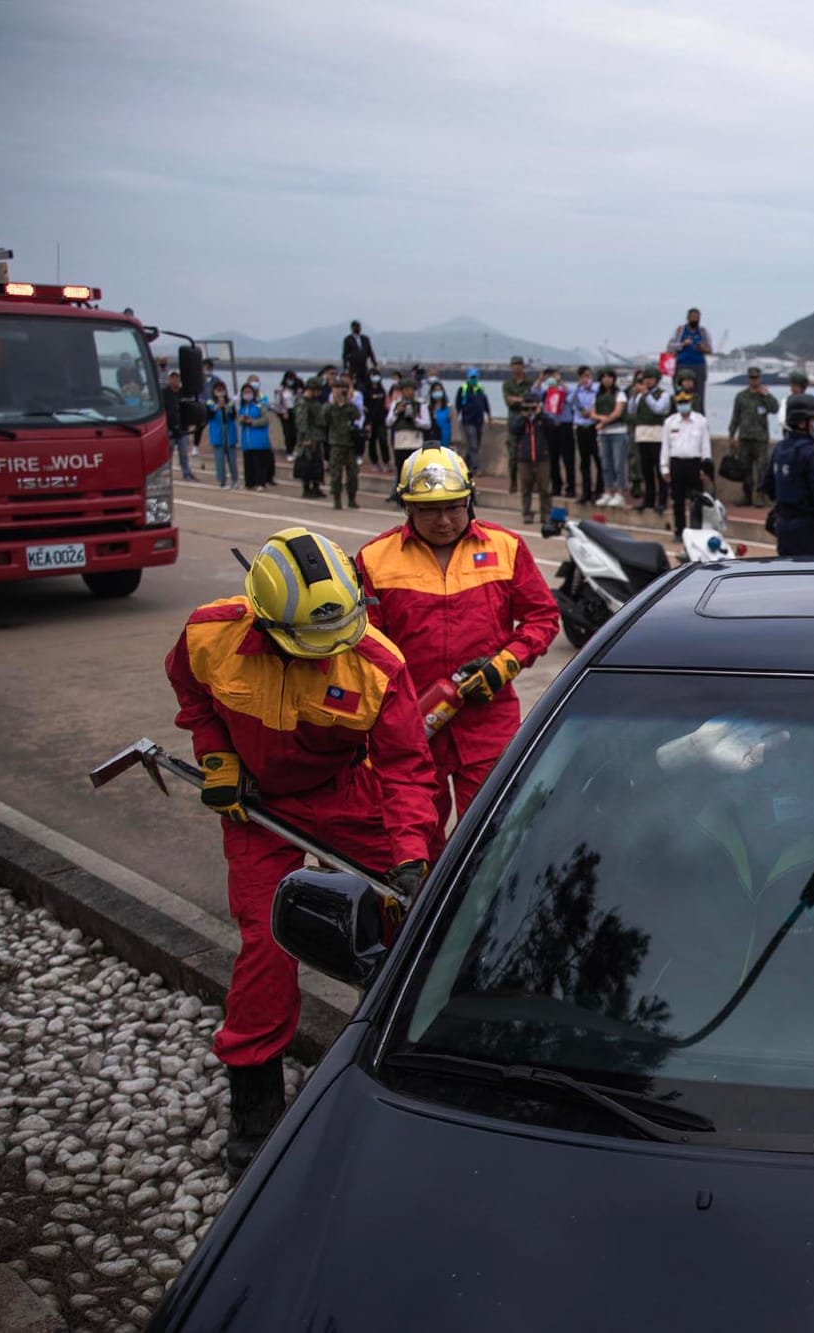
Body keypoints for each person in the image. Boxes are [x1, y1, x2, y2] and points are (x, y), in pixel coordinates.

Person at [165, 528, 437, 1175]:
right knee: (267, 943)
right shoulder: (209, 635)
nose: (327, 655)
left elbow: (405, 769)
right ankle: (255, 1108)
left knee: (421, 917)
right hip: (258, 807)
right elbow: (192, 696)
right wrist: (218, 757)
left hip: (346, 795)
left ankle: (416, 1053)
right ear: (263, 618)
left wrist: (411, 856)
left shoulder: (377, 665)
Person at [356, 448, 560, 831]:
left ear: (470, 500)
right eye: (429, 510)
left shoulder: (507, 548)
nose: (445, 520)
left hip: (488, 722)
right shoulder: (374, 559)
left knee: (492, 834)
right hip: (411, 726)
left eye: (454, 507)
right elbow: (364, 648)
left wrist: (507, 663)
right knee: (415, 836)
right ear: (407, 507)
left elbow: (542, 616)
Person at [761, 393, 814, 557]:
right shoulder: (812, 453)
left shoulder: (779, 449)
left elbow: (767, 486)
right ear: (801, 422)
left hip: (783, 526)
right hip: (808, 529)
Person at [726, 367, 779, 508]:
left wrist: (766, 395)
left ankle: (760, 496)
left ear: (760, 378)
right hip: (745, 438)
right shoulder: (741, 396)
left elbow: (775, 409)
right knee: (745, 469)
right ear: (748, 379)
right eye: (751, 378)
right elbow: (735, 417)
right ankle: (746, 496)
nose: (754, 380)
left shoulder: (764, 395)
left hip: (760, 439)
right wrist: (731, 435)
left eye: (756, 378)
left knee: (762, 469)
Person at [662, 390, 713, 539]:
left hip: (695, 463)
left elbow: (705, 446)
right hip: (677, 463)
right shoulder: (670, 422)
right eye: (680, 403)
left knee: (697, 500)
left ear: (690, 403)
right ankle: (680, 531)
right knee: (677, 500)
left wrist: (706, 468)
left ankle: (697, 530)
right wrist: (664, 467)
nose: (683, 406)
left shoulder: (700, 421)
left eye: (686, 403)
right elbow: (665, 446)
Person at [507, 390, 553, 524]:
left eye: (533, 406)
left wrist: (540, 414)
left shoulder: (543, 419)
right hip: (524, 458)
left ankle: (546, 514)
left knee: (545, 488)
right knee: (526, 488)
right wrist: (524, 416)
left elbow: (551, 427)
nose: (530, 409)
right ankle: (527, 513)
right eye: (527, 406)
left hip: (542, 458)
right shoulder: (521, 419)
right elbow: (513, 430)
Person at [632, 369, 673, 514]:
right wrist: (634, 396)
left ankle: (662, 500)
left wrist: (646, 395)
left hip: (657, 435)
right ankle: (648, 499)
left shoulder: (663, 394)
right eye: (645, 379)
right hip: (643, 434)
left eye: (650, 379)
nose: (647, 382)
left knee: (660, 469)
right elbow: (632, 411)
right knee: (646, 470)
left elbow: (658, 409)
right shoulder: (640, 395)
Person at [591, 369, 629, 507]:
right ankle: (608, 491)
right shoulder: (598, 395)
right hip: (603, 434)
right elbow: (592, 412)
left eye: (609, 377)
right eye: (604, 377)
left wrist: (602, 422)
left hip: (618, 431)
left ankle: (620, 492)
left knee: (619, 463)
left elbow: (618, 412)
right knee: (606, 464)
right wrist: (599, 418)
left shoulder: (620, 394)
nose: (607, 379)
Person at [324, 380, 364, 509]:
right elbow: (324, 419)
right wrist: (335, 402)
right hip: (336, 443)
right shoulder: (330, 407)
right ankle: (337, 499)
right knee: (336, 474)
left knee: (352, 473)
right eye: (337, 388)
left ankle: (352, 498)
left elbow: (357, 416)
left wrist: (347, 401)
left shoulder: (350, 407)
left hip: (350, 444)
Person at [666, 308, 713, 413]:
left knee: (699, 395)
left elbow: (710, 349)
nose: (695, 320)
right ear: (688, 318)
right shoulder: (679, 330)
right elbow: (669, 347)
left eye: (697, 318)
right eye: (693, 317)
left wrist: (702, 349)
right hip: (681, 365)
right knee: (680, 392)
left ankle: (699, 416)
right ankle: (678, 415)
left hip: (698, 365)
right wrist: (682, 344)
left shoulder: (703, 332)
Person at [541, 369, 575, 499]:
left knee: (568, 459)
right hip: (551, 427)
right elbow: (534, 392)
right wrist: (541, 379)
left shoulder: (565, 392)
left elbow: (573, 396)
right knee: (552, 459)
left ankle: (570, 487)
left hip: (564, 426)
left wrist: (561, 382)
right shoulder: (546, 393)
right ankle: (556, 486)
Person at [293, 376, 328, 499]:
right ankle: (307, 488)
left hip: (318, 436)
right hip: (309, 436)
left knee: (317, 463)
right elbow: (302, 422)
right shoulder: (303, 403)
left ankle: (316, 487)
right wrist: (306, 438)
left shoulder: (315, 402)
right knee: (307, 463)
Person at [569, 366, 600, 504]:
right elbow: (570, 401)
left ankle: (599, 491)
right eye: (583, 376)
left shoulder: (597, 389)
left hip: (595, 427)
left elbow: (600, 402)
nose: (586, 379)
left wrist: (591, 412)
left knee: (599, 460)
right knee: (584, 462)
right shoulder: (577, 390)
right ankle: (586, 492)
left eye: (588, 376)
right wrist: (577, 387)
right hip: (581, 427)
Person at [237, 382, 274, 491]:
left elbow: (265, 420)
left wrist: (252, 422)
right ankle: (249, 483)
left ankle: (260, 483)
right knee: (248, 463)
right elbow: (238, 419)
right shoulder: (242, 407)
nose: (247, 394)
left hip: (258, 439)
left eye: (249, 392)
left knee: (259, 464)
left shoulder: (260, 405)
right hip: (246, 441)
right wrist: (242, 420)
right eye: (245, 392)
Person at [455, 368, 492, 474]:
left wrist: (489, 416)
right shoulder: (463, 389)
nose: (473, 379)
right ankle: (476, 468)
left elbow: (485, 403)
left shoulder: (480, 389)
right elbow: (458, 405)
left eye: (475, 377)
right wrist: (456, 418)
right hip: (468, 421)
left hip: (479, 421)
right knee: (473, 444)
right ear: (468, 378)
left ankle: (466, 465)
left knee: (475, 446)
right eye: (472, 377)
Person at [205, 380, 240, 490]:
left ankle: (235, 480)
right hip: (217, 434)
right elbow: (208, 416)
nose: (220, 392)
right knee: (219, 460)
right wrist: (216, 407)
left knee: (232, 460)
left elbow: (234, 416)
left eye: (222, 390)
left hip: (229, 433)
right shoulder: (210, 403)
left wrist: (226, 407)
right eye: (218, 390)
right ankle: (222, 481)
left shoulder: (230, 402)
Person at [388, 383, 430, 475]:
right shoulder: (395, 404)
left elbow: (427, 424)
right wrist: (397, 412)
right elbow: (388, 422)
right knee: (401, 469)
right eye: (405, 390)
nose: (408, 392)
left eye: (410, 389)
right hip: (400, 442)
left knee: (416, 470)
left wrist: (415, 420)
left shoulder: (421, 405)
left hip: (415, 442)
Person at [162, 370, 196, 481]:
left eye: (176, 377)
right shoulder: (163, 393)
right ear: (169, 379)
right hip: (169, 428)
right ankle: (166, 474)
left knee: (183, 453)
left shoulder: (184, 393)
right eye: (172, 377)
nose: (175, 380)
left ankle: (186, 473)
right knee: (167, 454)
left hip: (183, 428)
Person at [271, 371, 300, 460]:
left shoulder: (297, 390)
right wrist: (283, 412)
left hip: (295, 411)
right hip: (285, 412)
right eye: (289, 379)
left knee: (295, 432)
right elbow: (276, 403)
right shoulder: (281, 390)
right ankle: (289, 452)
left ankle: (294, 449)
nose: (290, 381)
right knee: (287, 432)